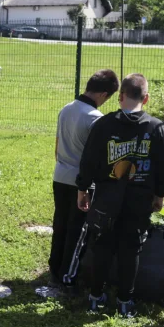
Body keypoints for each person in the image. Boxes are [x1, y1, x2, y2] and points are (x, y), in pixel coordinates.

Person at [76, 74, 164, 318]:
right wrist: (160, 194)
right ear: (147, 98)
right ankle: (125, 301)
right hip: (139, 200)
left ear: (120, 97)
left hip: (106, 197)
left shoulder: (104, 125)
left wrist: (83, 189)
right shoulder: (156, 128)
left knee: (102, 247)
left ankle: (95, 297)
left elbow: (88, 161)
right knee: (131, 249)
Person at [50, 69, 119, 286]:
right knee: (77, 230)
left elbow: (57, 146)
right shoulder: (95, 118)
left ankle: (54, 267)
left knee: (60, 223)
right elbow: (96, 158)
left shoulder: (66, 109)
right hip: (81, 182)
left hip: (60, 175)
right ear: (104, 94)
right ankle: (67, 276)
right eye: (108, 98)